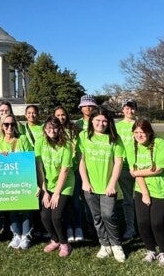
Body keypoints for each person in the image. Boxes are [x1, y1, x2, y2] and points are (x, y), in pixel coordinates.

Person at [78, 107, 126, 262]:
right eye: (97, 120)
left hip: (107, 186)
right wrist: (85, 181)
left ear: (109, 122)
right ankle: (104, 244)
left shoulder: (114, 138)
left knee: (109, 215)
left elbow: (118, 163)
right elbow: (81, 160)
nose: (101, 123)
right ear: (91, 121)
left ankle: (116, 245)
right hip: (90, 186)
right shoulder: (84, 136)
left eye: (104, 120)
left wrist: (112, 184)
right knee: (96, 217)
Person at [127, 119, 164, 266]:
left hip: (163, 190)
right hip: (142, 189)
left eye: (142, 132)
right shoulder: (131, 146)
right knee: (142, 223)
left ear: (149, 132)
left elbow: (159, 168)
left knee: (157, 223)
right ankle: (150, 250)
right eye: (136, 132)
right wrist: (145, 193)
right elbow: (134, 172)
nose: (139, 135)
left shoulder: (160, 143)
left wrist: (137, 172)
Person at [36, 116, 75, 257]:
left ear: (60, 129)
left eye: (55, 127)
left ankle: (65, 243)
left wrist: (57, 193)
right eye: (49, 128)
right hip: (48, 184)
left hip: (64, 184)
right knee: (45, 216)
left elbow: (65, 171)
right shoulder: (40, 142)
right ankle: (55, 239)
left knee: (56, 216)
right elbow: (39, 168)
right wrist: (45, 191)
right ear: (45, 129)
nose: (52, 130)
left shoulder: (66, 144)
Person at [0, 114, 33, 250]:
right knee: (12, 208)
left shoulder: (22, 139)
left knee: (26, 208)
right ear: (2, 127)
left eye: (12, 124)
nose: (9, 127)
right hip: (7, 181)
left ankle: (26, 235)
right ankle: (16, 234)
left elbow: (30, 157)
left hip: (23, 178)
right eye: (6, 124)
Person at [54, 105, 84, 242]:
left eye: (63, 114)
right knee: (64, 203)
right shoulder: (53, 130)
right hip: (59, 171)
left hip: (75, 169)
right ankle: (68, 228)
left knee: (76, 202)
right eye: (58, 115)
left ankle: (78, 227)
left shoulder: (75, 129)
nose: (61, 117)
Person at [115, 99, 138, 240]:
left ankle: (144, 224)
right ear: (123, 110)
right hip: (123, 167)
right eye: (127, 108)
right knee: (128, 199)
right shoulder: (117, 126)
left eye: (133, 108)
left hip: (139, 165)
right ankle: (130, 227)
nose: (130, 111)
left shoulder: (139, 124)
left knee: (143, 197)